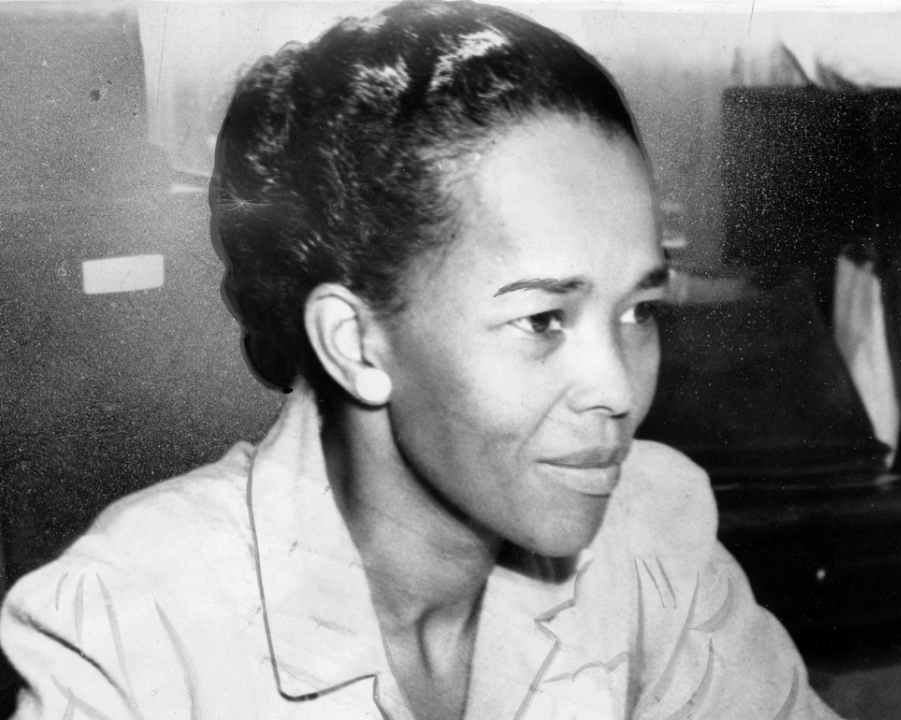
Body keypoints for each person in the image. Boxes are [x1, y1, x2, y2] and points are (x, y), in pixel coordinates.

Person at [0, 2, 843, 718]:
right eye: (545, 319)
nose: (620, 390)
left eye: (638, 311)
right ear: (356, 342)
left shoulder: (647, 543)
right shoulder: (132, 636)